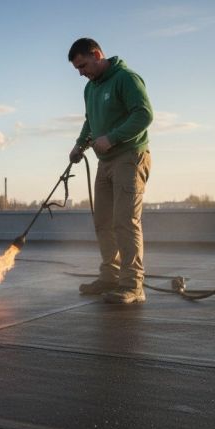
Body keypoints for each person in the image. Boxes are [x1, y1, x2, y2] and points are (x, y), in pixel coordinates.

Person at [68, 38, 153, 304]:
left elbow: (144, 114)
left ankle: (133, 286)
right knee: (103, 222)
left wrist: (113, 137)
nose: (82, 73)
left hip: (130, 157)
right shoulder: (90, 89)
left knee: (125, 222)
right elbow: (89, 121)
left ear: (96, 55)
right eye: (77, 70)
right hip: (104, 162)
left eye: (83, 65)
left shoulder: (125, 79)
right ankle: (110, 277)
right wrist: (80, 145)